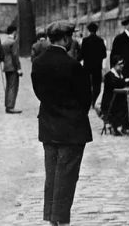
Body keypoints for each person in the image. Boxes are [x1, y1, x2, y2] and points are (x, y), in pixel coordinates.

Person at [31, 20, 93, 226]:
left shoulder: (38, 63)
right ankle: (62, 220)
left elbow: (39, 93)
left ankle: (51, 218)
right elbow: (86, 98)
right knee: (67, 176)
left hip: (49, 127)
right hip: (72, 130)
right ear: (66, 38)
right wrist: (73, 114)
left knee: (52, 175)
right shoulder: (73, 66)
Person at [99, 54, 129, 135]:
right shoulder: (109, 76)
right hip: (110, 103)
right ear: (114, 65)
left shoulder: (120, 74)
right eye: (120, 64)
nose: (122, 66)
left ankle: (122, 126)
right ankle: (116, 126)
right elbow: (118, 84)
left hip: (117, 101)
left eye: (123, 63)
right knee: (123, 107)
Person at [81, 22, 107, 108]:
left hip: (87, 66)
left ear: (88, 30)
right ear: (96, 30)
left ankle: (88, 101)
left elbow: (81, 55)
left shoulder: (85, 41)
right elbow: (104, 55)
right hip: (97, 66)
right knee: (97, 85)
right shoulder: (100, 40)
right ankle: (95, 101)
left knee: (87, 84)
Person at [1, 24, 23, 114]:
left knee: (8, 86)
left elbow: (2, 56)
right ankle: (10, 107)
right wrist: (19, 68)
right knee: (13, 87)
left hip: (6, 66)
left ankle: (8, 105)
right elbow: (15, 56)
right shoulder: (13, 42)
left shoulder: (5, 42)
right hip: (13, 67)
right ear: (14, 32)